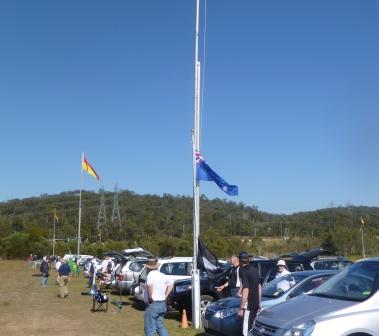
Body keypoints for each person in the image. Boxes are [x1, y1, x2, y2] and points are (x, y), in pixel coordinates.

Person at [143, 258, 173, 336]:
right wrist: (166, 295)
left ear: (148, 268)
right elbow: (171, 283)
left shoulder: (150, 275)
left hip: (153, 303)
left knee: (149, 329)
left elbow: (150, 285)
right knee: (159, 327)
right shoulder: (162, 275)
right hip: (162, 303)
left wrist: (150, 297)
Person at [237, 251, 261, 336]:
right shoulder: (255, 270)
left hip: (249, 304)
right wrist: (259, 303)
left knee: (246, 328)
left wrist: (241, 307)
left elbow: (246, 289)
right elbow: (259, 287)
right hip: (255, 303)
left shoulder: (243, 271)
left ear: (240, 261)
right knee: (252, 326)